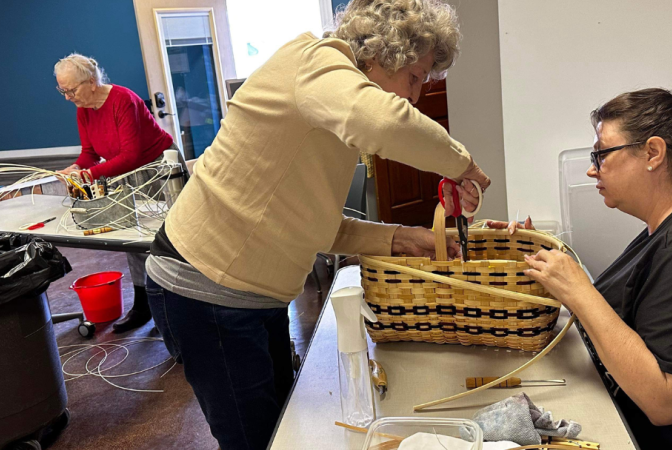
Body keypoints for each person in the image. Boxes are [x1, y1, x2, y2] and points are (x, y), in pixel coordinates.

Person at [144, 1, 490, 449]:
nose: (415, 96)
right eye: (415, 77)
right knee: (254, 440)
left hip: (250, 296)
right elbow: (384, 120)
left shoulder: (325, 108)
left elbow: (314, 225)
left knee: (279, 432)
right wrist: (464, 165)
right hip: (203, 289)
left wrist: (402, 238)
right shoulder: (315, 63)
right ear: (387, 54)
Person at [492, 85, 672, 449]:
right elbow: (630, 308)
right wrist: (540, 257)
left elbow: (664, 402)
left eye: (602, 155)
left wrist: (579, 290)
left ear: (653, 153)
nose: (593, 171)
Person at [54, 53, 179, 333]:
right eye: (62, 90)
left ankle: (172, 309)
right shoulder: (83, 107)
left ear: (92, 82)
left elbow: (131, 155)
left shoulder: (123, 99)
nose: (67, 97)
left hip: (158, 170)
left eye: (71, 90)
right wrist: (73, 168)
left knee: (166, 241)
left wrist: (86, 175)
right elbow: (90, 153)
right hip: (124, 174)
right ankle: (144, 306)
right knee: (132, 239)